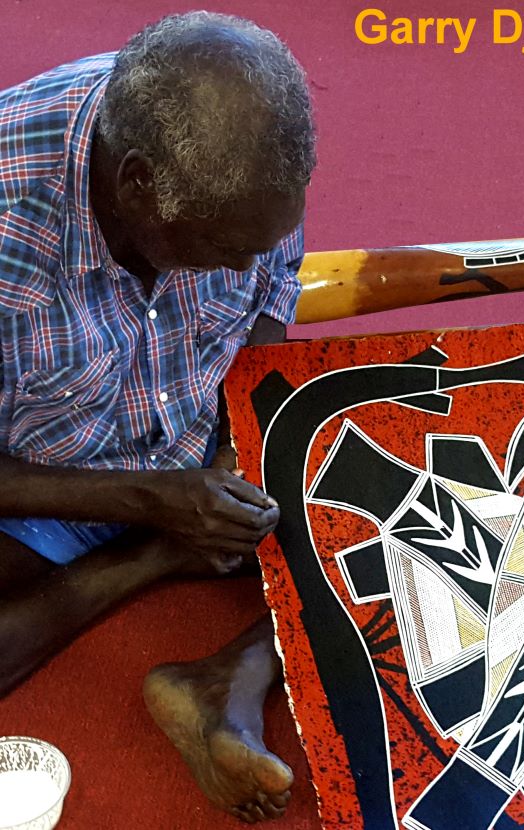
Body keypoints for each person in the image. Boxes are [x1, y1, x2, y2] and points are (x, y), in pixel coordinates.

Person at [0, 11, 315, 824]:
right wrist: (155, 507)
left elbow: (272, 287)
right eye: (219, 247)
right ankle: (150, 559)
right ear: (136, 183)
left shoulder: (241, 168)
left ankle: (232, 675)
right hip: (48, 480)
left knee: (435, 486)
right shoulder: (7, 221)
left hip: (202, 437)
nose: (246, 265)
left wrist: (242, 430)